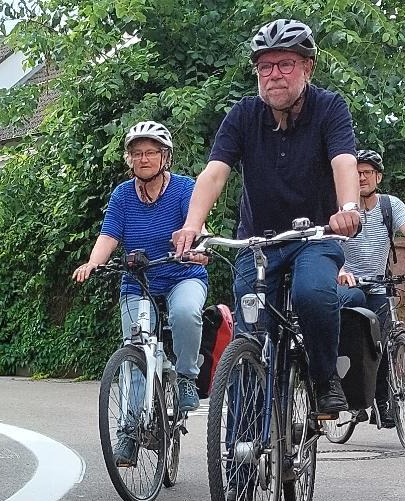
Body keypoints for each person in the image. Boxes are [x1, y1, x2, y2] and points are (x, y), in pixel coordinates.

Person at [171, 17, 363, 418]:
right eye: (265, 66)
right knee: (251, 335)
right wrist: (192, 224)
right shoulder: (243, 114)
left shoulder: (330, 108)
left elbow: (344, 161)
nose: (274, 74)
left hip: (316, 237)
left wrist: (348, 209)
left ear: (307, 67)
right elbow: (214, 173)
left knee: (312, 294)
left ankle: (323, 378)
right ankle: (241, 444)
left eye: (285, 64)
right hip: (257, 241)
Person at [73, 121, 210, 462]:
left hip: (182, 275)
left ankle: (187, 377)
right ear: (129, 159)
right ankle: (129, 433)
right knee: (134, 353)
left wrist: (197, 249)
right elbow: (109, 235)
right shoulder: (122, 195)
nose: (143, 159)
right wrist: (93, 262)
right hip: (138, 282)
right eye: (136, 153)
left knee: (185, 313)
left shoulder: (184, 188)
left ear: (165, 156)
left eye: (150, 152)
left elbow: (197, 227)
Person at [336, 149, 405, 323]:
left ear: (378, 177)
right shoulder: (341, 209)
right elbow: (330, 244)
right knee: (352, 314)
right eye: (357, 173)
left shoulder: (390, 205)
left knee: (383, 333)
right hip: (347, 286)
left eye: (367, 172)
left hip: (378, 287)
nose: (362, 177)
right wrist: (339, 271)